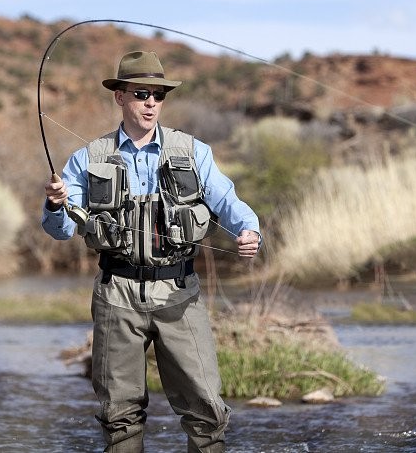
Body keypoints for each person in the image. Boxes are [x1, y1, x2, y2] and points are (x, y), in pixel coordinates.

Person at [42, 50, 261, 452]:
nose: (150, 103)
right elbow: (61, 230)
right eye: (141, 93)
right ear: (119, 97)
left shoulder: (192, 152)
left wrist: (249, 230)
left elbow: (226, 200)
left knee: (207, 409)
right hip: (116, 294)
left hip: (180, 293)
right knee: (119, 417)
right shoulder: (87, 159)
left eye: (158, 95)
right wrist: (56, 203)